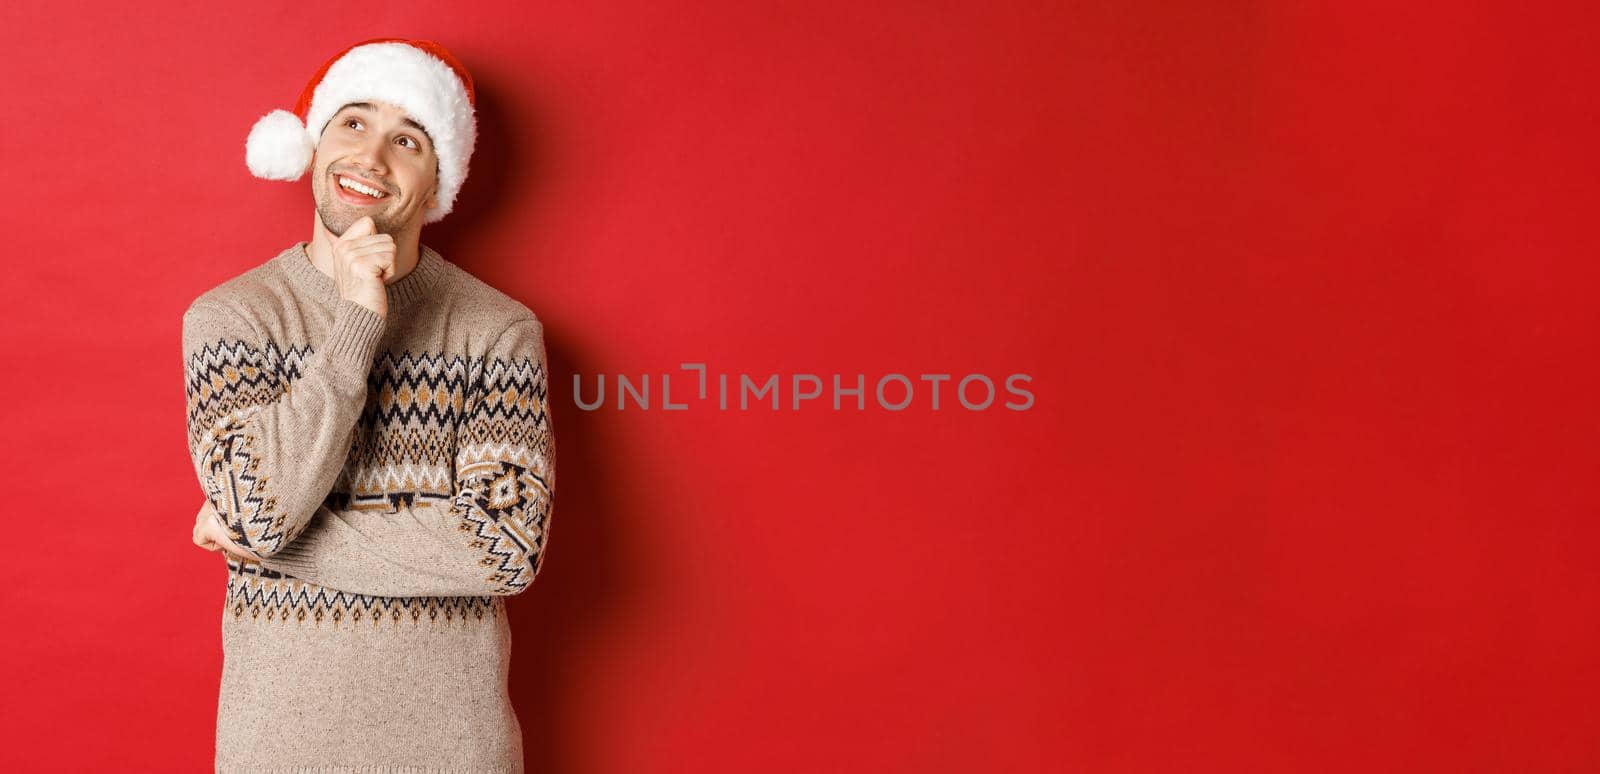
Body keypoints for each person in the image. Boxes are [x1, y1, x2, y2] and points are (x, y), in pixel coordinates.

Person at [181, 38, 555, 772]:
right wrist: (357, 322)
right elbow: (260, 508)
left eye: (407, 139)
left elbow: (504, 548)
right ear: (314, 144)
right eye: (353, 123)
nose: (373, 158)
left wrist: (276, 542)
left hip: (456, 751)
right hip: (277, 749)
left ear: (439, 175)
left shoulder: (496, 330)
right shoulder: (234, 319)